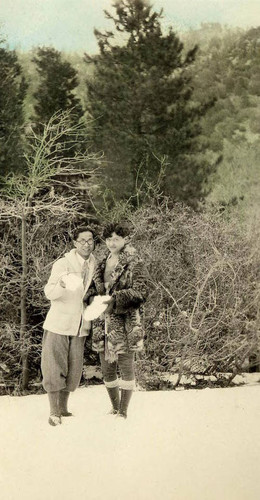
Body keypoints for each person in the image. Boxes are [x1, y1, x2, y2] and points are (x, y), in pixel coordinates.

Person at [85, 222, 147, 419]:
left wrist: (115, 299)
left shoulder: (135, 261)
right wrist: (93, 298)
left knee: (126, 363)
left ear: (125, 239)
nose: (112, 243)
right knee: (106, 367)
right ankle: (114, 406)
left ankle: (123, 411)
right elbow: (93, 289)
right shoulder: (102, 262)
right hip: (103, 322)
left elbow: (142, 291)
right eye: (109, 239)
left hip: (125, 321)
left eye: (117, 239)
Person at [41, 226, 96, 426]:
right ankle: (54, 411)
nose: (86, 244)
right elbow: (49, 292)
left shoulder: (94, 265)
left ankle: (64, 408)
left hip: (81, 325)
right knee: (54, 365)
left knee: (74, 368)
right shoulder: (63, 264)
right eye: (82, 240)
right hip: (59, 323)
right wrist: (62, 284)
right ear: (74, 243)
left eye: (90, 240)